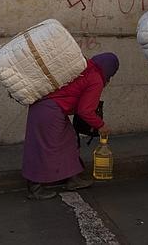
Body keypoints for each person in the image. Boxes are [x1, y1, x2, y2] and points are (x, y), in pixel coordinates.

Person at [23, 52, 119, 200]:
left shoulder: (83, 66)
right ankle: (34, 187)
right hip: (50, 109)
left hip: (43, 105)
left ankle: (72, 178)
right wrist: (100, 125)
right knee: (44, 147)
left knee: (69, 141)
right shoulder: (96, 78)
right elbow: (85, 110)